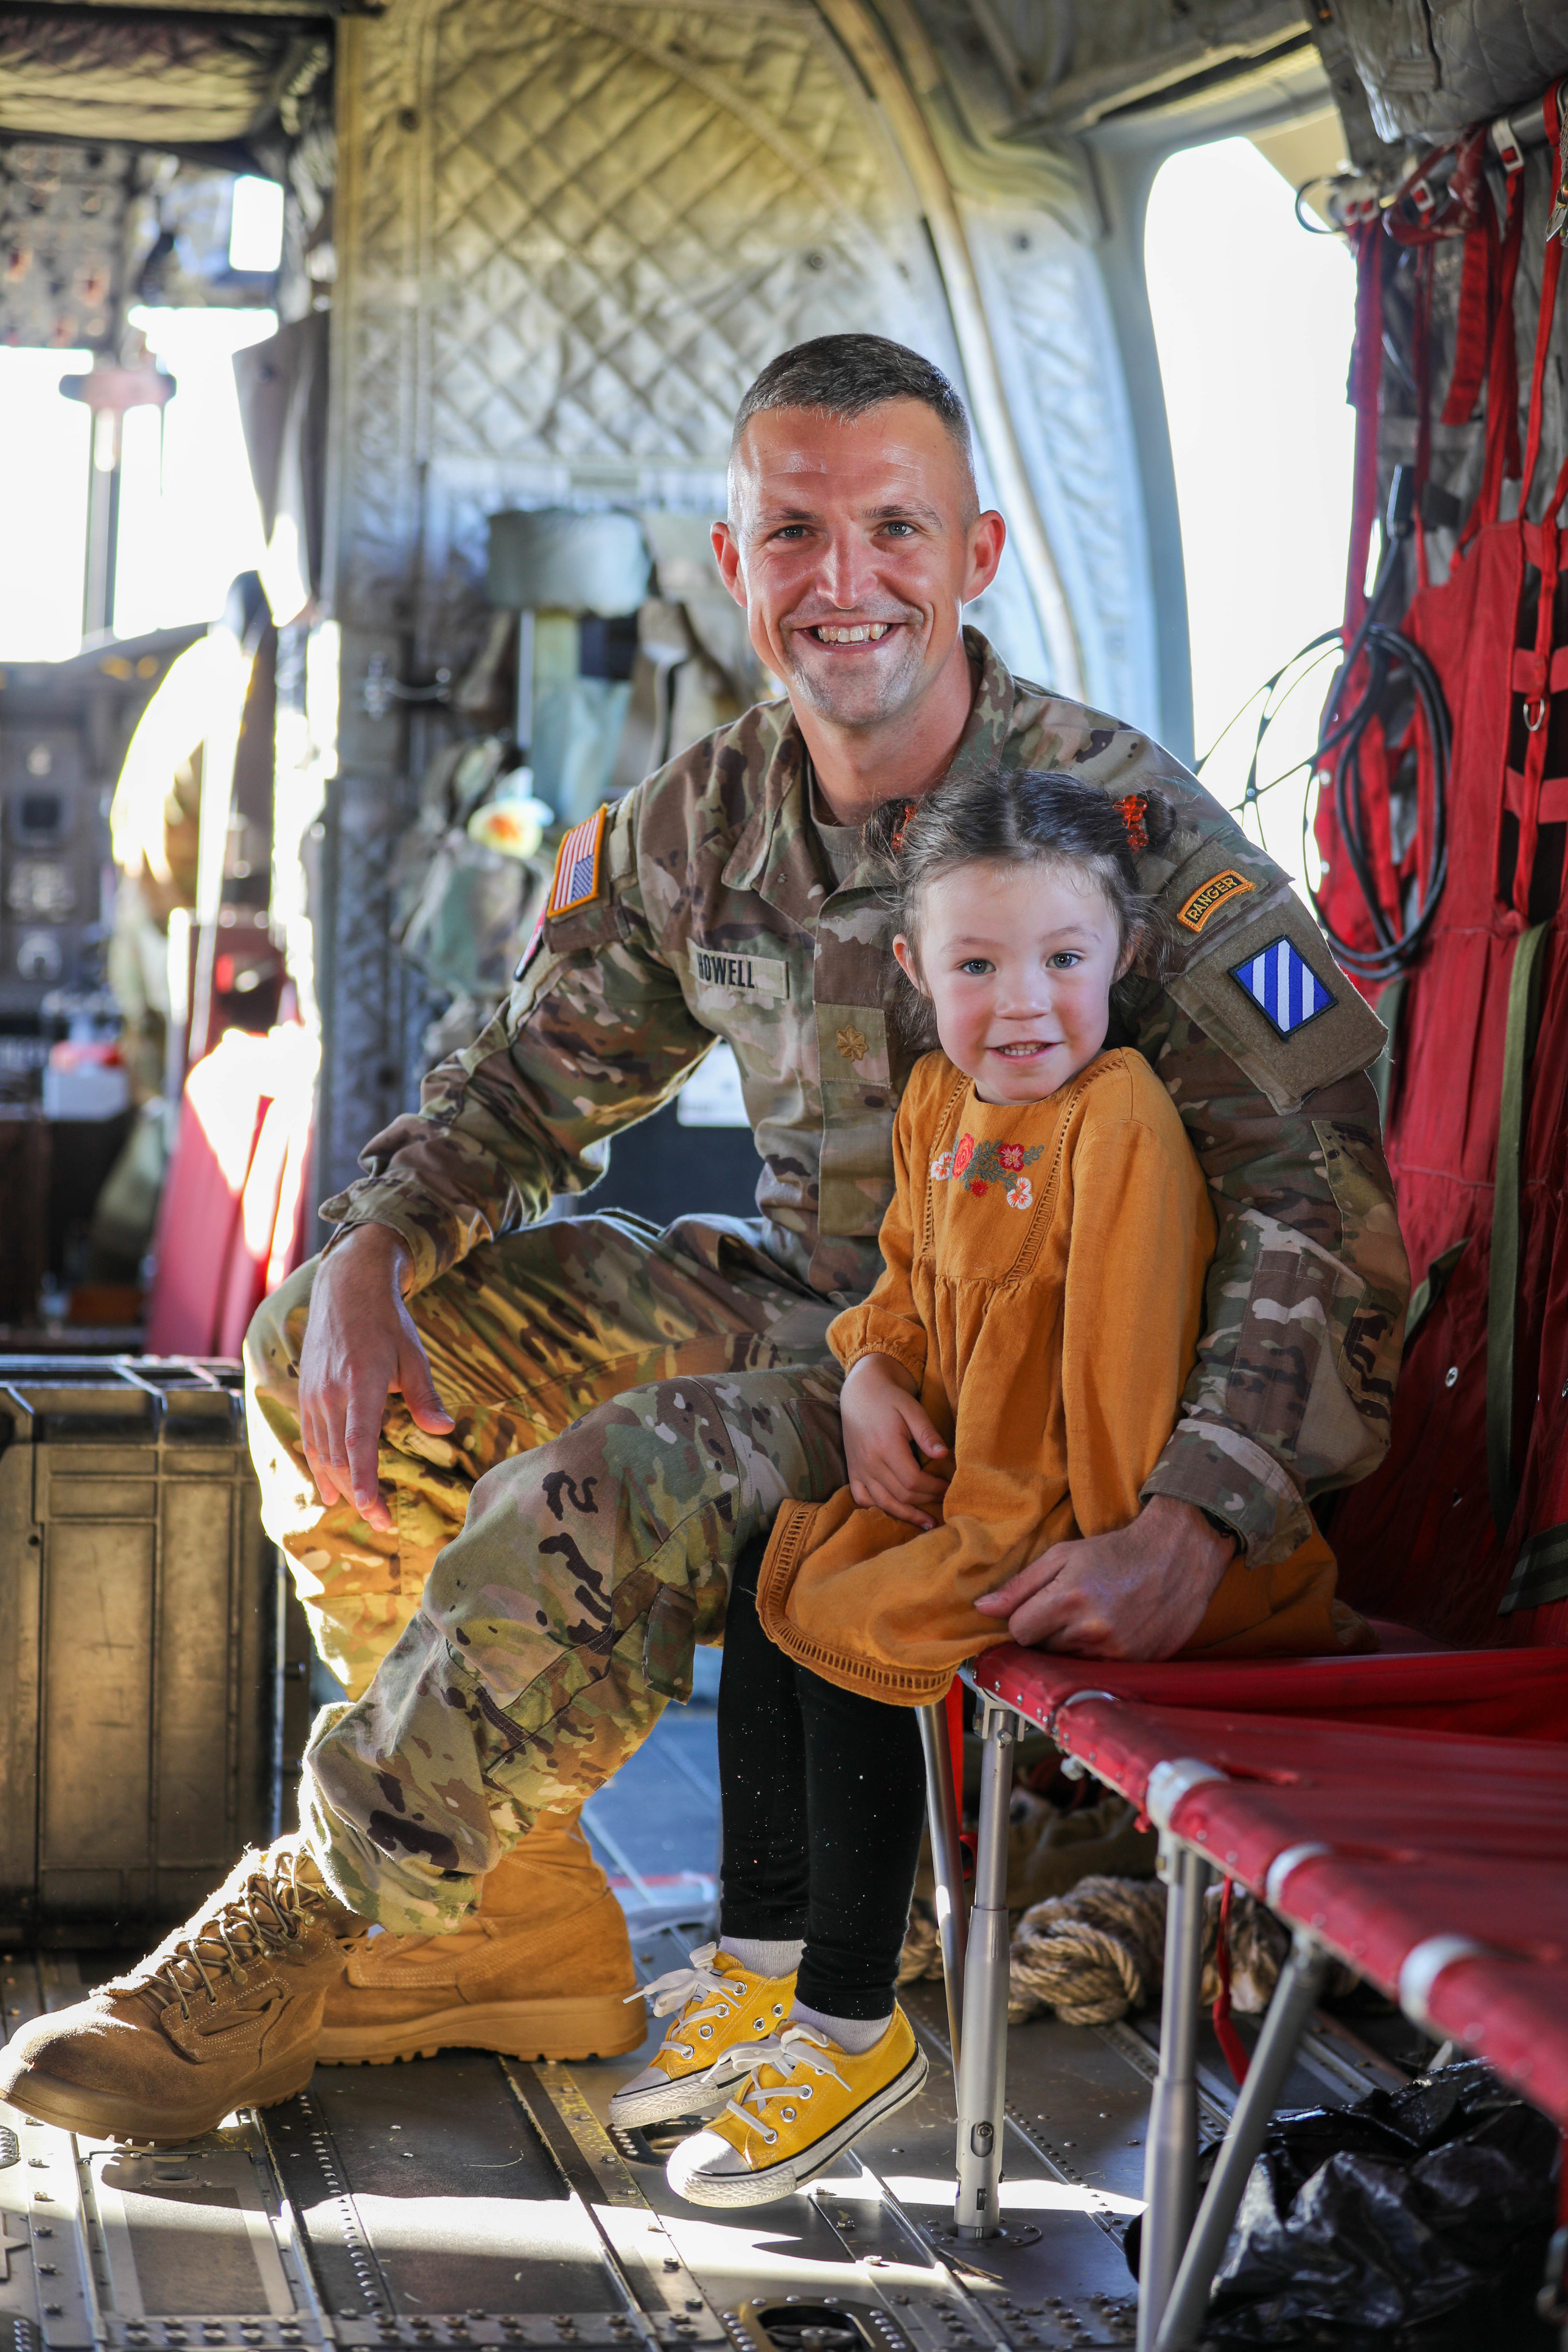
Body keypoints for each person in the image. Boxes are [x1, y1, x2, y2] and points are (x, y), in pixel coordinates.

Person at [0, 335, 1408, 2148]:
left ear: (975, 553)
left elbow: (1326, 1191)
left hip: (1032, 1400)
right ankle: (497, 1924)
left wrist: (1203, 1507)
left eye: (895, 528)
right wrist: (366, 1246)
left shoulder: (1114, 827)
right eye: (796, 533)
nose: (846, 583)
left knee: (614, 1484)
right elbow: (519, 1085)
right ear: (735, 566)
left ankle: (331, 1900)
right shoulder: (705, 822)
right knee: (317, 1350)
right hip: (835, 1331)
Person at [610, 766, 1359, 2209]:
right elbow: (899, 1284)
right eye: (976, 964)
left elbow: (1121, 1395)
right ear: (914, 970)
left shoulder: (1118, 1118)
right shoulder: (942, 1101)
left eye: (1064, 960)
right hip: (972, 1485)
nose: (1024, 1003)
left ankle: (852, 2021)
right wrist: (871, 1376)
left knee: (862, 1633)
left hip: (1082, 1518)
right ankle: (764, 1965)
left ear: (1124, 955)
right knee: (780, 1565)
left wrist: (1058, 1542)